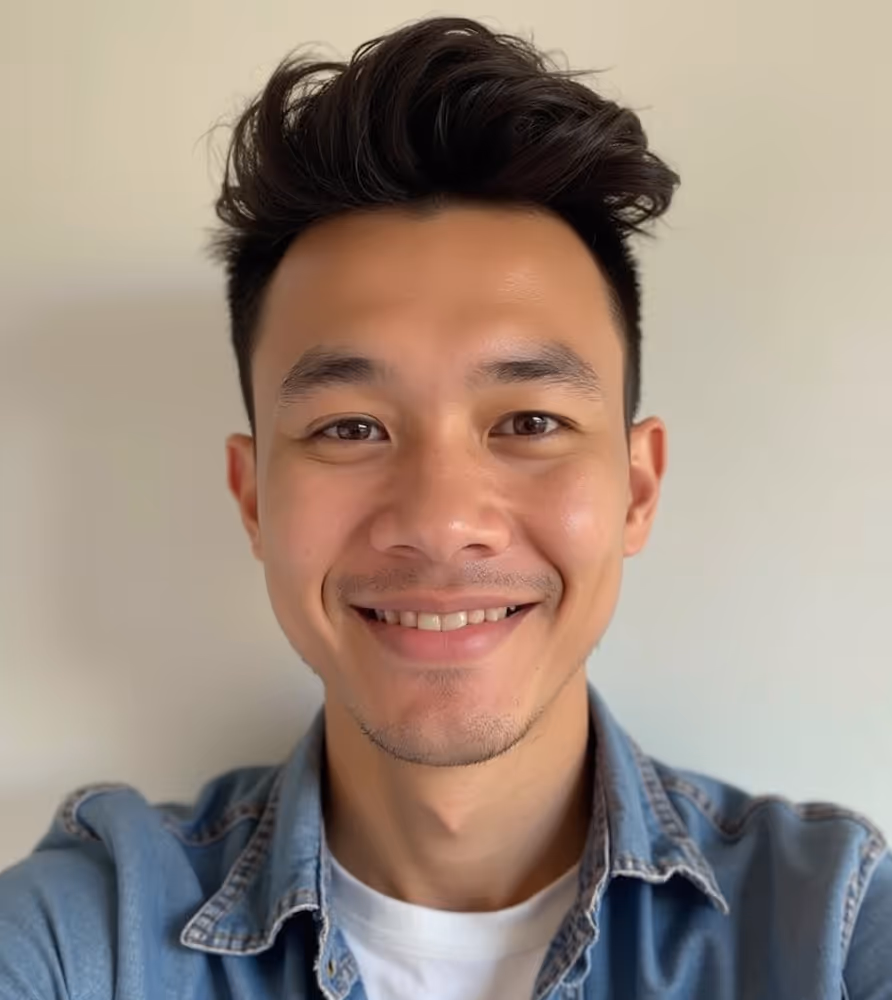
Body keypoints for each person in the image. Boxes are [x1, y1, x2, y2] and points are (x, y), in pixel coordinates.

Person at [1, 14, 889, 999]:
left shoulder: (835, 929)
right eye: (350, 427)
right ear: (253, 498)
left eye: (530, 421)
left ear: (637, 487)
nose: (440, 518)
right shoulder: (84, 937)